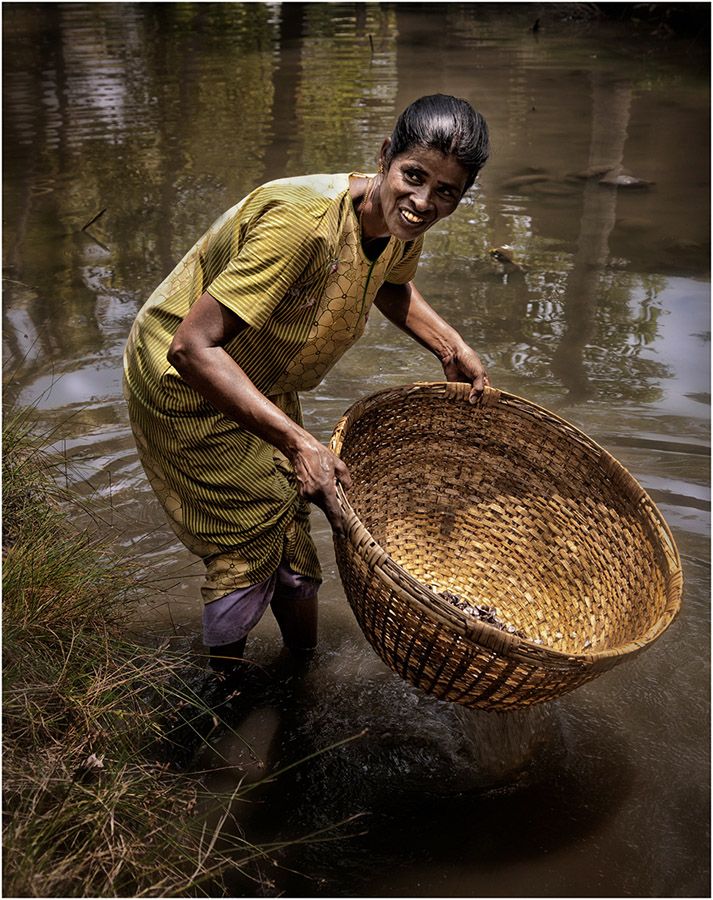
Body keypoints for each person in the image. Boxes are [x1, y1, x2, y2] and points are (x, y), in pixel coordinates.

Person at [123, 93, 491, 675]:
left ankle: (302, 670)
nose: (423, 202)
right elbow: (192, 348)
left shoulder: (399, 223)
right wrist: (300, 441)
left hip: (259, 367)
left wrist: (450, 346)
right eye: (413, 177)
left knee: (292, 517)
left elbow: (390, 282)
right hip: (186, 380)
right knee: (247, 535)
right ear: (385, 157)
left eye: (446, 192)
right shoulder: (302, 223)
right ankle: (224, 697)